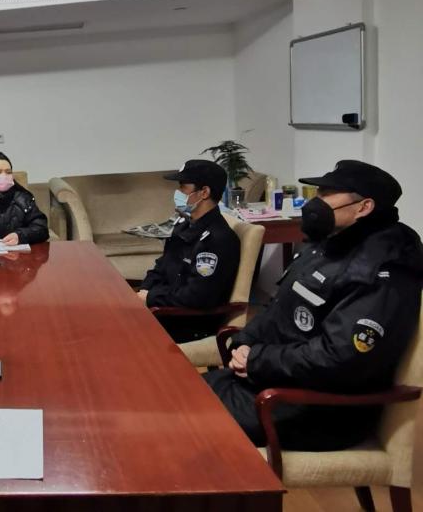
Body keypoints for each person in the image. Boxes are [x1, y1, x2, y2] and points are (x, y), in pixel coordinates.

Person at [206, 160, 423, 450]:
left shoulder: (381, 269)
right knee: (178, 394)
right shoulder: (328, 243)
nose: (316, 203)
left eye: (327, 194)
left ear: (364, 207)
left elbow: (340, 358)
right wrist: (244, 343)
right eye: (318, 192)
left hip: (318, 409)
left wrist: (258, 360)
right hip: (274, 381)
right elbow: (278, 307)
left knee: (187, 419)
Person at [137, 159, 240, 343]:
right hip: (164, 309)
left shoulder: (218, 239)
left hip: (187, 323)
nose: (177, 193)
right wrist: (144, 291)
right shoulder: (185, 225)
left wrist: (151, 298)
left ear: (204, 192)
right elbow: (162, 266)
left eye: (183, 187)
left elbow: (197, 296)